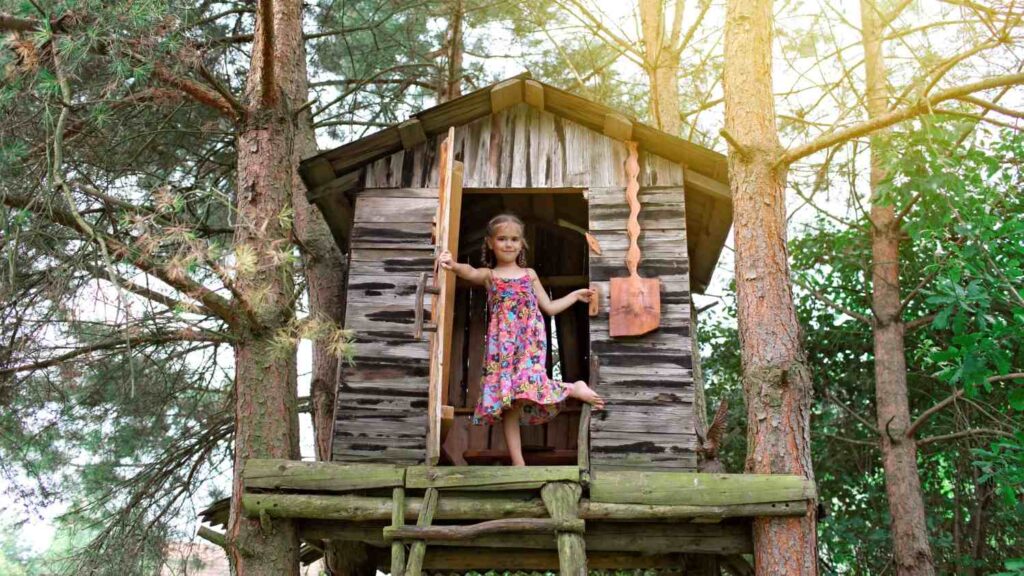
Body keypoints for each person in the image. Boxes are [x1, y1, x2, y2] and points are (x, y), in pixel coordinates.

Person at [437, 213, 605, 466]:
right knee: (510, 403)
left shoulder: (529, 274)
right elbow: (469, 271)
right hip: (502, 348)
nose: (508, 244)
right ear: (490, 243)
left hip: (529, 342)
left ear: (522, 243)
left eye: (514, 239)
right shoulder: (490, 276)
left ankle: (573, 388)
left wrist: (573, 296)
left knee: (529, 384)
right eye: (502, 239)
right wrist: (451, 263)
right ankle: (519, 463)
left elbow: (548, 307)